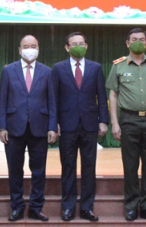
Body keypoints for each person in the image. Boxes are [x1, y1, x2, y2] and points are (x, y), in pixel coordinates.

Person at [107, 28, 146, 222]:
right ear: (127, 43)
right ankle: (132, 206)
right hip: (129, 120)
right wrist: (115, 123)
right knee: (130, 165)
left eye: (141, 40)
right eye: (134, 39)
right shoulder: (118, 66)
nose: (138, 42)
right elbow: (113, 95)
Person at [0, 35, 58, 222]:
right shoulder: (8, 71)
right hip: (14, 127)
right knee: (15, 170)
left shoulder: (48, 72)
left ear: (38, 49)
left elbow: (52, 102)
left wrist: (52, 126)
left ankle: (36, 208)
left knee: (38, 170)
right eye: (26, 46)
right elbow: (3, 100)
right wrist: (2, 126)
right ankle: (16, 207)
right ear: (19, 50)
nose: (29, 49)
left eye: (33, 46)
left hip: (40, 127)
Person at [51, 32, 108, 222]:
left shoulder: (96, 68)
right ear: (67, 47)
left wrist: (103, 120)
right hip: (67, 124)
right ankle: (67, 207)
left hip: (90, 124)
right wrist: (54, 123)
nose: (78, 46)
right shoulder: (58, 68)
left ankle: (86, 207)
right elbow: (54, 99)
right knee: (68, 167)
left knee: (89, 167)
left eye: (81, 43)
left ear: (86, 46)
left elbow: (102, 95)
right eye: (74, 43)